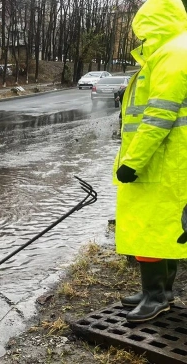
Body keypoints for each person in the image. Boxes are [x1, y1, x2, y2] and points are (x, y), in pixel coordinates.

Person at [114, 0, 187, 323]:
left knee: (148, 229)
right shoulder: (174, 50)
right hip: (169, 161)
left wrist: (133, 162)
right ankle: (160, 292)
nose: (138, 37)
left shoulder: (172, 55)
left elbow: (159, 115)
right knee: (164, 228)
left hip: (160, 161)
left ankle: (156, 295)